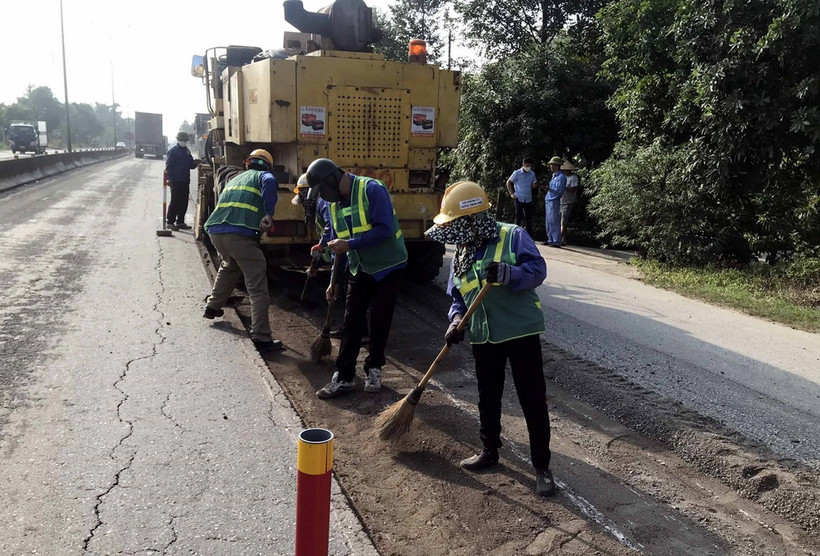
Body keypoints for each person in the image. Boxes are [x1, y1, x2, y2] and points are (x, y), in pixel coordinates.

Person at [425, 180, 556, 497]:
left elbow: (537, 270)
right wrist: (456, 319)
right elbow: (458, 294)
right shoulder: (463, 252)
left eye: (458, 223)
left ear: (472, 219)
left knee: (532, 399)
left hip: (520, 330)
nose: (454, 230)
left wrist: (511, 274)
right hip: (484, 334)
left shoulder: (512, 236)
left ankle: (542, 468)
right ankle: (489, 451)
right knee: (488, 395)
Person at [307, 158, 407, 399]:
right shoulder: (333, 205)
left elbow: (383, 230)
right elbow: (334, 239)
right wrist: (333, 281)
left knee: (380, 321)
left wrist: (349, 244)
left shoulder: (372, 189)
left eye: (325, 191)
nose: (325, 197)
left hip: (388, 266)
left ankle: (374, 368)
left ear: (333, 180)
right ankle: (344, 377)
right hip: (359, 268)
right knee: (351, 322)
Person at [202, 149, 283, 353]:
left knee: (230, 266)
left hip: (216, 231)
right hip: (239, 235)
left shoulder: (236, 179)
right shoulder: (264, 176)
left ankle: (213, 306)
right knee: (257, 286)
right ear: (268, 165)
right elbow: (271, 183)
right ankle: (262, 337)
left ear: (248, 163)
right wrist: (269, 214)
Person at [165, 132, 199, 231]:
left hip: (184, 180)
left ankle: (180, 221)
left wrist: (196, 163)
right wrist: (169, 178)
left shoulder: (187, 152)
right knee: (175, 201)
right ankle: (170, 222)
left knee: (184, 202)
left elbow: (191, 165)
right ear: (178, 140)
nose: (183, 142)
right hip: (175, 181)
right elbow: (169, 166)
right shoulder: (173, 152)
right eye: (182, 140)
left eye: (185, 140)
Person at [506, 157, 538, 237]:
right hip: (518, 197)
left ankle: (529, 237)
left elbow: (534, 185)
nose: (528, 168)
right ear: (523, 164)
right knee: (518, 218)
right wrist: (512, 194)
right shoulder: (517, 173)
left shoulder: (532, 174)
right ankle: (515, 236)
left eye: (529, 166)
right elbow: (509, 182)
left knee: (528, 219)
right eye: (527, 165)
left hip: (528, 198)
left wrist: (536, 184)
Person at [542, 156, 566, 247]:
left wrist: (550, 189)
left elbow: (559, 191)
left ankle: (556, 241)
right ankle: (550, 239)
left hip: (554, 200)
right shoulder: (554, 176)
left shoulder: (561, 177)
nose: (550, 166)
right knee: (548, 221)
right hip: (548, 199)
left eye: (552, 165)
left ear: (557, 165)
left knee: (554, 221)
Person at [559, 161, 579, 246]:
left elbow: (573, 190)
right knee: (558, 220)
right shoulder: (561, 177)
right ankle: (563, 239)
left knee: (564, 221)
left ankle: (560, 238)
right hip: (559, 200)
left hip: (568, 202)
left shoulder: (573, 178)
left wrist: (563, 187)